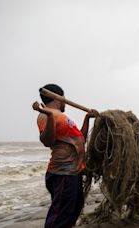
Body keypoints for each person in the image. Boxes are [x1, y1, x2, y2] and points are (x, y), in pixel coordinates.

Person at [32, 84, 98, 228]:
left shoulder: (62, 117)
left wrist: (87, 118)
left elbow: (80, 139)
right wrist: (49, 115)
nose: (65, 101)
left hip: (73, 172)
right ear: (58, 97)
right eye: (64, 98)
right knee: (60, 217)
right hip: (62, 173)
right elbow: (46, 140)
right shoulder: (44, 114)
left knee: (73, 210)